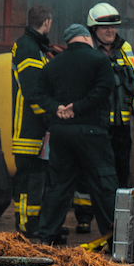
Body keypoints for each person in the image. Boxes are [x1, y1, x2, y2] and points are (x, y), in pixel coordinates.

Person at [30, 24, 120, 245]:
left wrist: (57, 108)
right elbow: (103, 90)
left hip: (60, 132)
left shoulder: (52, 64)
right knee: (103, 182)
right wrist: (77, 108)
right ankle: (114, 237)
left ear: (68, 41)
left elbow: (39, 94)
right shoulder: (100, 60)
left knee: (58, 185)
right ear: (87, 38)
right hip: (92, 132)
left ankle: (47, 235)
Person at [84, 3, 134, 234]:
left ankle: (120, 217)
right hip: (97, 123)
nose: (110, 30)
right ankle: (84, 217)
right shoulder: (89, 51)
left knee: (121, 171)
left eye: (113, 26)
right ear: (93, 29)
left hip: (121, 124)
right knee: (93, 171)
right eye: (104, 27)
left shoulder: (126, 50)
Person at [9, 5, 56, 233]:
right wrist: (48, 117)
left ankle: (28, 222)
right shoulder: (29, 47)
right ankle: (27, 224)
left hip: (31, 126)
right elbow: (33, 91)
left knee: (32, 176)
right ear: (46, 22)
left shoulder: (32, 46)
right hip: (28, 127)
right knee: (30, 177)